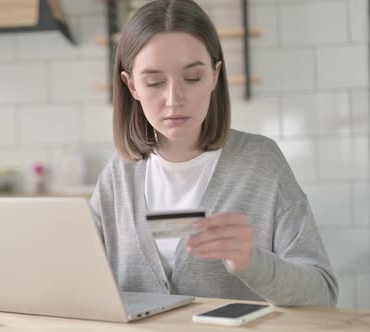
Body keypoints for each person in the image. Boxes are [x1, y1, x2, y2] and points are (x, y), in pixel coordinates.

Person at [90, 0, 338, 307]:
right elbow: (79, 282)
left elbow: (323, 295)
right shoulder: (118, 176)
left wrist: (252, 262)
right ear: (131, 86)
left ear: (214, 75)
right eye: (154, 82)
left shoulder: (260, 163)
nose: (173, 99)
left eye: (192, 78)